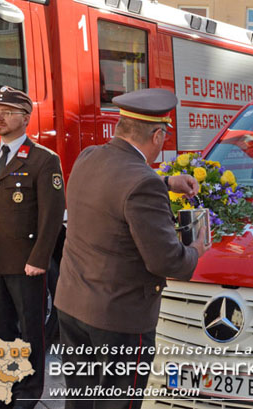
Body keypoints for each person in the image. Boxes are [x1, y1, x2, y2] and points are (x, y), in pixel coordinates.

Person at [54, 88, 211, 409]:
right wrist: (197, 247)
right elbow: (167, 260)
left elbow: (116, 180)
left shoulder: (89, 157)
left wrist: (167, 181)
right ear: (157, 135)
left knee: (80, 401)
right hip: (118, 320)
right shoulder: (143, 183)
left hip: (72, 307)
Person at [0, 86, 66, 409]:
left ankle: (28, 393)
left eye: (8, 112)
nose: (0, 118)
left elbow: (52, 217)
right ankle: (2, 392)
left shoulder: (43, 160)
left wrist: (40, 259)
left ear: (25, 119)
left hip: (26, 264)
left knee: (30, 331)